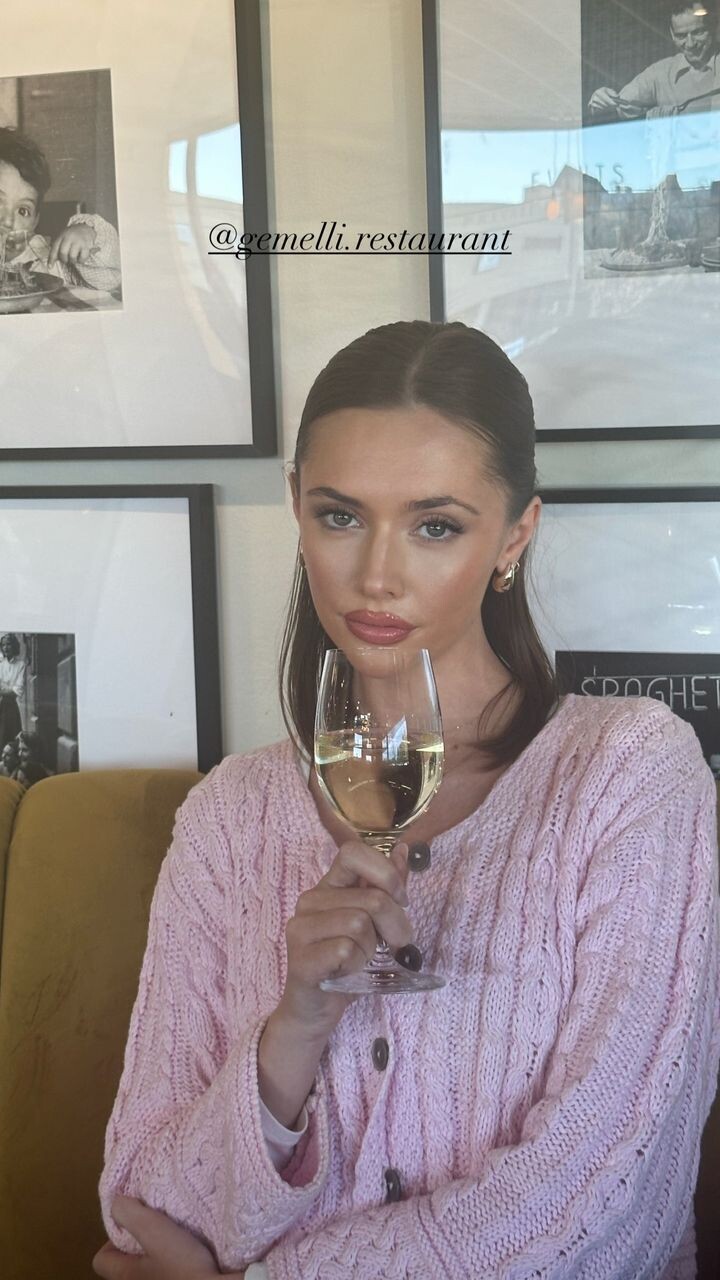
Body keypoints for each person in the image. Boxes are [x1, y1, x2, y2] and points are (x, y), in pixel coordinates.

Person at [93, 320, 720, 1280]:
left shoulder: (630, 774)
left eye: (436, 525)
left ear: (515, 535)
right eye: (341, 516)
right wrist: (294, 1030)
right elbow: (139, 1208)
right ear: (297, 507)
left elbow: (606, 1218)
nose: (377, 574)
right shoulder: (230, 817)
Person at [0, 126, 121, 292]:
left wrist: (87, 232)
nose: (8, 221)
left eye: (23, 211)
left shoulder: (48, 263)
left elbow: (110, 279)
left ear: (35, 222)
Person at [588, 1, 720, 118]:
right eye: (681, 36)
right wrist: (601, 101)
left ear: (714, 28)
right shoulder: (659, 73)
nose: (690, 44)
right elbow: (617, 107)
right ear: (672, 34)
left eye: (698, 32)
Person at [0, 632, 25, 751]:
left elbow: (18, 690)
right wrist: (10, 689)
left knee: (12, 738)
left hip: (12, 707)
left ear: (14, 646)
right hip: (1, 705)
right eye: (3, 645)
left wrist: (4, 688)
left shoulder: (20, 665)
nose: (6, 647)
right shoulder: (0, 665)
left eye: (9, 644)